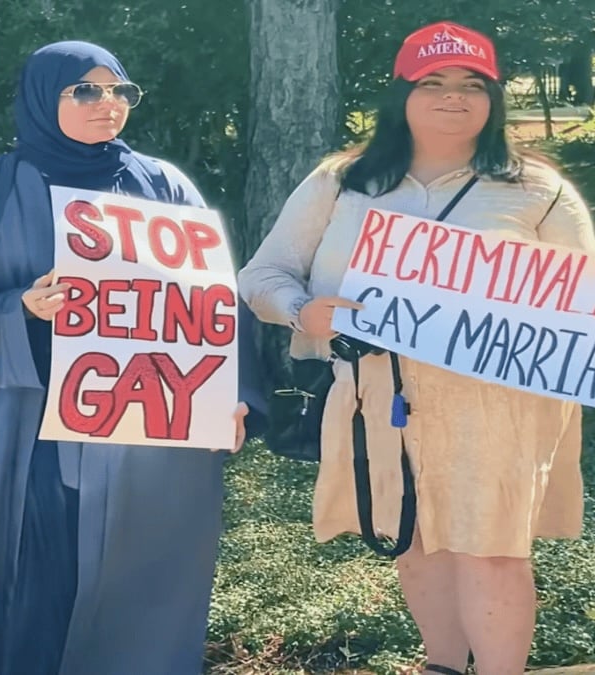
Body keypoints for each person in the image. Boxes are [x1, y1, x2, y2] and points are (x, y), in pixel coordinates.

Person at [238, 21, 592, 675]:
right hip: (380, 392)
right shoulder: (341, 183)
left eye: (471, 84)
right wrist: (302, 310)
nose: (453, 97)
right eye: (433, 82)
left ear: (494, 98)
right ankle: (442, 664)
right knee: (414, 536)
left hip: (501, 401)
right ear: (401, 94)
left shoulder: (538, 191)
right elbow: (262, 277)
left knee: (491, 547)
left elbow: (583, 303)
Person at [0, 41, 267, 675]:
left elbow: (215, 300)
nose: (107, 104)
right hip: (42, 425)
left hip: (151, 420)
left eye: (120, 91)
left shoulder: (164, 183)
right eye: (85, 90)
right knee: (45, 573)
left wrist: (233, 396)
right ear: (42, 97)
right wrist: (17, 309)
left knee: (149, 572)